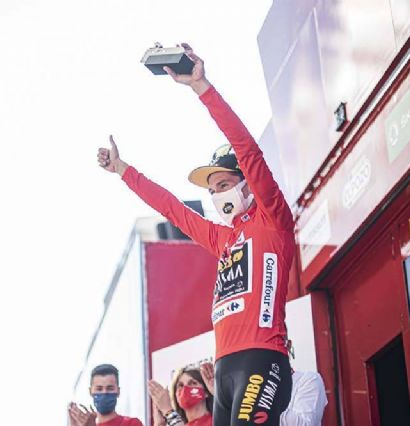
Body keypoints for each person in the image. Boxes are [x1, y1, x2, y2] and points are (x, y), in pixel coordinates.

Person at [98, 43, 295, 425]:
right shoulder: (222, 239)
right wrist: (123, 170)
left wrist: (201, 87)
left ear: (248, 184)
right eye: (212, 189)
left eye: (224, 183)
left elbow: (247, 150)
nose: (217, 194)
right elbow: (171, 208)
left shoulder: (272, 218)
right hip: (224, 369)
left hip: (262, 358)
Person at [69, 364, 143, 426]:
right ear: (90, 391)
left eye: (110, 388)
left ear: (118, 391)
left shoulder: (132, 423)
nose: (104, 393)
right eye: (99, 389)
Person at [148, 365, 214, 426]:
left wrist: (167, 410)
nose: (185, 388)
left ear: (206, 391)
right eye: (181, 385)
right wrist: (159, 424)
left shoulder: (216, 420)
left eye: (193, 383)